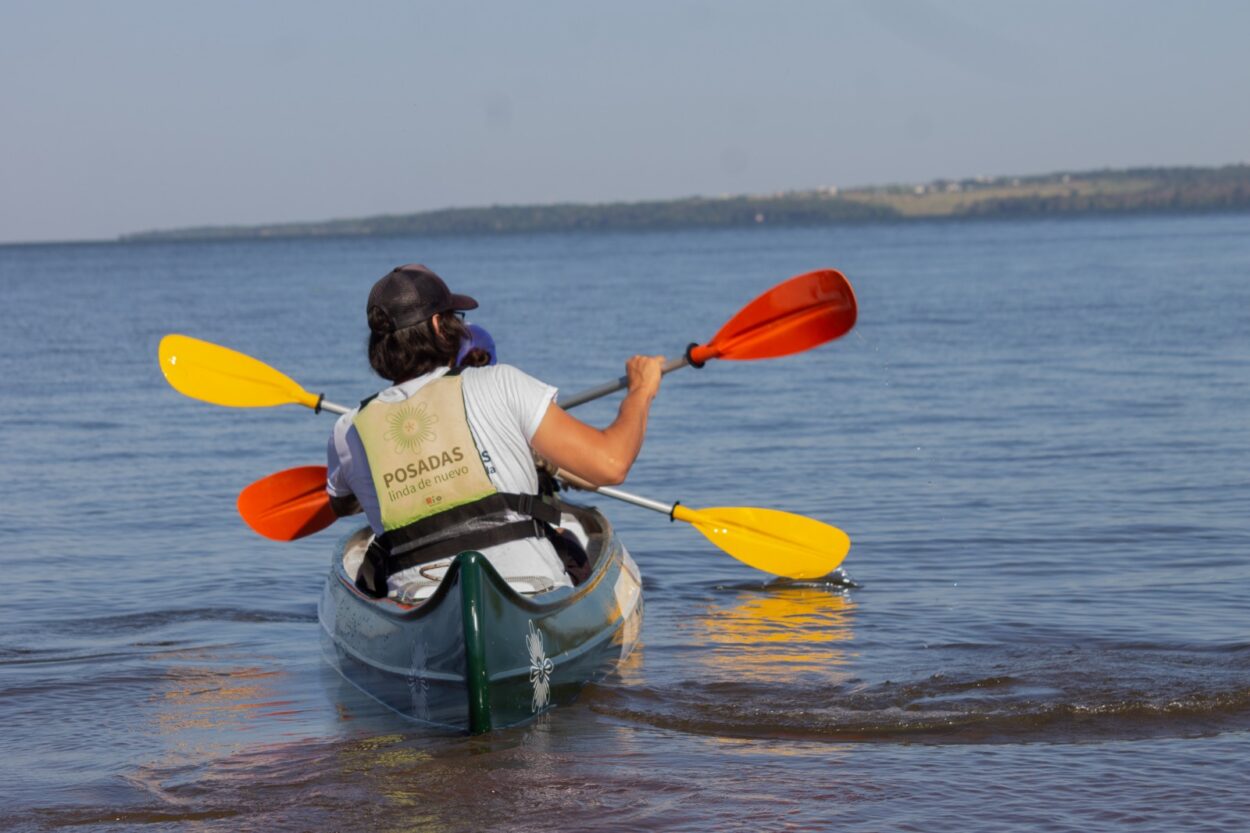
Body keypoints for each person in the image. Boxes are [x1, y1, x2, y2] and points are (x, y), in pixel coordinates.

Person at [326, 263, 663, 598]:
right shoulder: (502, 382)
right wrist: (641, 391)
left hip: (418, 599)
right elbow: (612, 464)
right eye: (453, 318)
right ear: (437, 326)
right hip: (532, 586)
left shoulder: (348, 430)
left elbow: (343, 506)